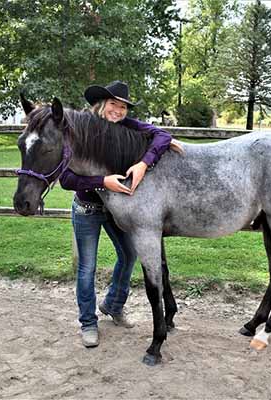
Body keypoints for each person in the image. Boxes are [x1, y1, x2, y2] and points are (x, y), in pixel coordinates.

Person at [59, 81, 174, 348]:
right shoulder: (81, 130)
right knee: (87, 268)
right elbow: (66, 178)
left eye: (122, 107)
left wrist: (145, 162)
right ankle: (88, 323)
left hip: (116, 210)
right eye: (113, 104)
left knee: (130, 254)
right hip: (87, 209)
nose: (118, 110)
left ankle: (113, 304)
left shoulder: (126, 127)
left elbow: (163, 136)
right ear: (101, 105)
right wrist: (102, 182)